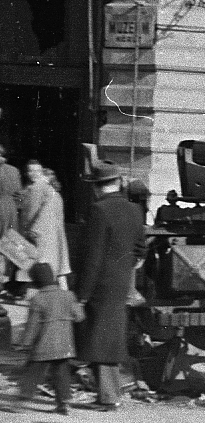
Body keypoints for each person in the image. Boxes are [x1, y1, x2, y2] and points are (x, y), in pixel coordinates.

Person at [77, 161, 147, 410]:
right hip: (121, 284)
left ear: (96, 187)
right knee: (109, 338)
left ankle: (108, 397)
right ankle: (109, 394)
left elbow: (92, 258)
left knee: (100, 340)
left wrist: (82, 294)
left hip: (100, 286)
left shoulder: (99, 210)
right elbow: (141, 247)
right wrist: (131, 264)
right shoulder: (134, 210)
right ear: (118, 183)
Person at [17, 262, 84, 415]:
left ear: (35, 281)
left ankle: (22, 400)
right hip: (65, 345)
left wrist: (25, 343)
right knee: (61, 374)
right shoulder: (68, 295)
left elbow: (32, 326)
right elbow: (79, 317)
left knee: (33, 372)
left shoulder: (38, 299)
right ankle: (63, 404)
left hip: (43, 345)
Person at [16, 161, 71, 290]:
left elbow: (30, 214)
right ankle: (64, 294)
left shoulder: (37, 188)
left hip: (39, 236)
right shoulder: (55, 194)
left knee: (36, 266)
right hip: (54, 237)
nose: (34, 174)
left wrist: (27, 230)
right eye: (31, 171)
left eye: (37, 171)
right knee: (57, 268)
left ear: (42, 174)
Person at [0, 144, 22, 296]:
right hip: (11, 210)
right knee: (7, 245)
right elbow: (19, 195)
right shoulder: (14, 170)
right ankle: (4, 281)